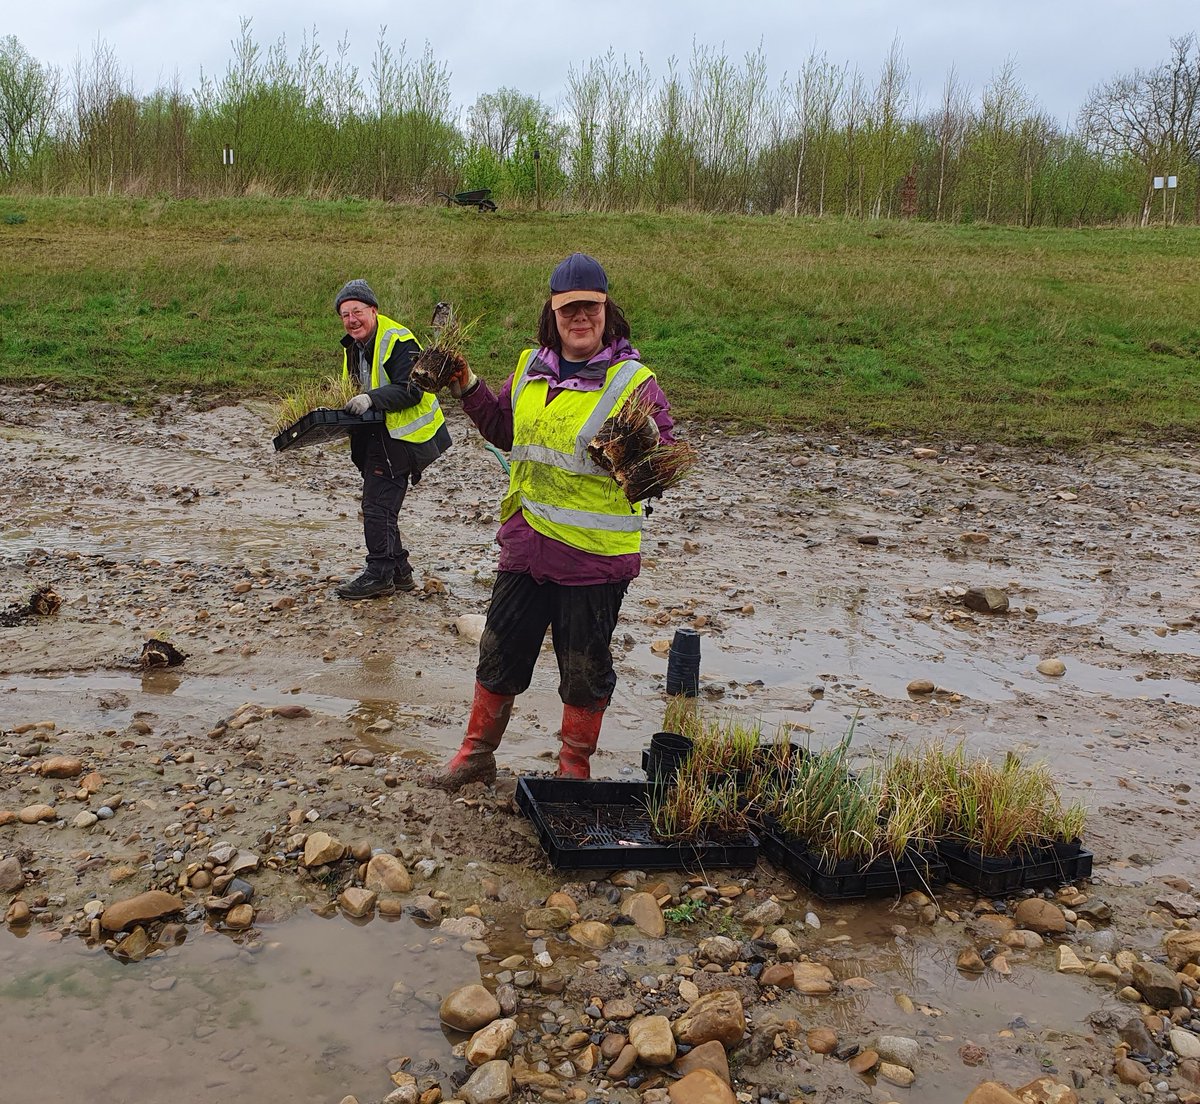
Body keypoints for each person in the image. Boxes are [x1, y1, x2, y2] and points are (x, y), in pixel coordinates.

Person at [434, 253, 675, 790]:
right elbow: (505, 429)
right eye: (570, 309)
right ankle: (475, 755)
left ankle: (573, 770)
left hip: (593, 559)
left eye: (590, 307)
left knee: (584, 670)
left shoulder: (634, 381)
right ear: (553, 312)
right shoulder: (529, 368)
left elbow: (666, 457)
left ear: (607, 311)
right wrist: (467, 383)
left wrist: (640, 459)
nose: (580, 318)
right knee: (498, 651)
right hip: (526, 545)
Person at [334, 279, 451, 599]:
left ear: (373, 310)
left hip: (406, 437)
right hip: (381, 435)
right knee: (383, 505)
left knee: (376, 506)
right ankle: (399, 572)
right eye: (345, 315)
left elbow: (413, 390)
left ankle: (379, 574)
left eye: (357, 311)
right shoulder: (354, 346)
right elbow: (354, 391)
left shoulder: (397, 339)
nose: (351, 319)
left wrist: (371, 399)